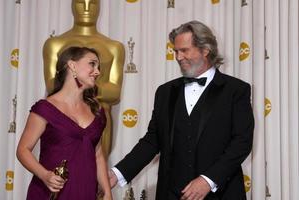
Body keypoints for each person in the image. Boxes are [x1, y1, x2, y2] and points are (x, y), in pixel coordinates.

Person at [109, 21, 254, 200]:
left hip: (221, 194)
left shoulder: (236, 90)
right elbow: (152, 141)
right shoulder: (165, 92)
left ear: (205, 49)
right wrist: (117, 173)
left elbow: (242, 142)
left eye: (184, 50)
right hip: (171, 193)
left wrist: (208, 180)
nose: (178, 57)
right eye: (175, 51)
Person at [17, 46, 112, 200]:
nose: (98, 71)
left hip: (85, 192)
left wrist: (107, 192)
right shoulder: (45, 108)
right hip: (51, 193)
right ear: (72, 65)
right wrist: (45, 175)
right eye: (92, 64)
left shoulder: (97, 111)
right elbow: (23, 150)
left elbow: (98, 154)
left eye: (98, 66)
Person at [43, 0, 125, 156]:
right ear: (72, 5)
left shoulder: (114, 47)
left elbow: (114, 93)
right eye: (81, 3)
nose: (87, 8)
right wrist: (91, 87)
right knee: (59, 167)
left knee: (94, 169)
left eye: (93, 3)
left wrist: (79, 86)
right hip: (62, 117)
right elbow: (52, 86)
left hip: (99, 117)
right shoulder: (55, 44)